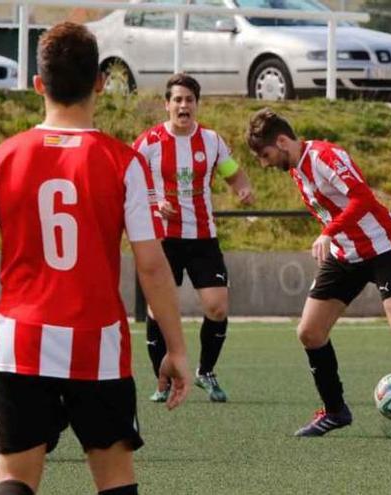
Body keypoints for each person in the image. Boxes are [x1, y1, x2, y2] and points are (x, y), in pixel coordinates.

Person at [0, 22, 190, 495]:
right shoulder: (124, 162)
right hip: (97, 343)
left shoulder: (5, 157)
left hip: (21, 340)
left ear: (38, 84)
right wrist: (175, 349)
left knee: (15, 479)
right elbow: (152, 265)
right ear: (100, 82)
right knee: (115, 481)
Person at [245, 108, 391, 437]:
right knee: (310, 332)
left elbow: (363, 199)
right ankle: (335, 410)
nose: (265, 162)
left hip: (383, 249)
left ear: (282, 141)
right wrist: (333, 236)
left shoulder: (325, 156)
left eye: (265, 154)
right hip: (346, 255)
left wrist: (329, 232)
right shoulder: (297, 169)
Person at [133, 73, 254, 403]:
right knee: (158, 311)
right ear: (167, 104)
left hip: (203, 237)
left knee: (217, 307)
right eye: (178, 99)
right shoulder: (149, 142)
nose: (183, 105)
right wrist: (156, 203)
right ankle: (162, 380)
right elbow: (128, 181)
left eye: (189, 100)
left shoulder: (212, 141)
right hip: (163, 239)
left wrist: (242, 187)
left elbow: (232, 171)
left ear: (196, 105)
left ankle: (206, 371)